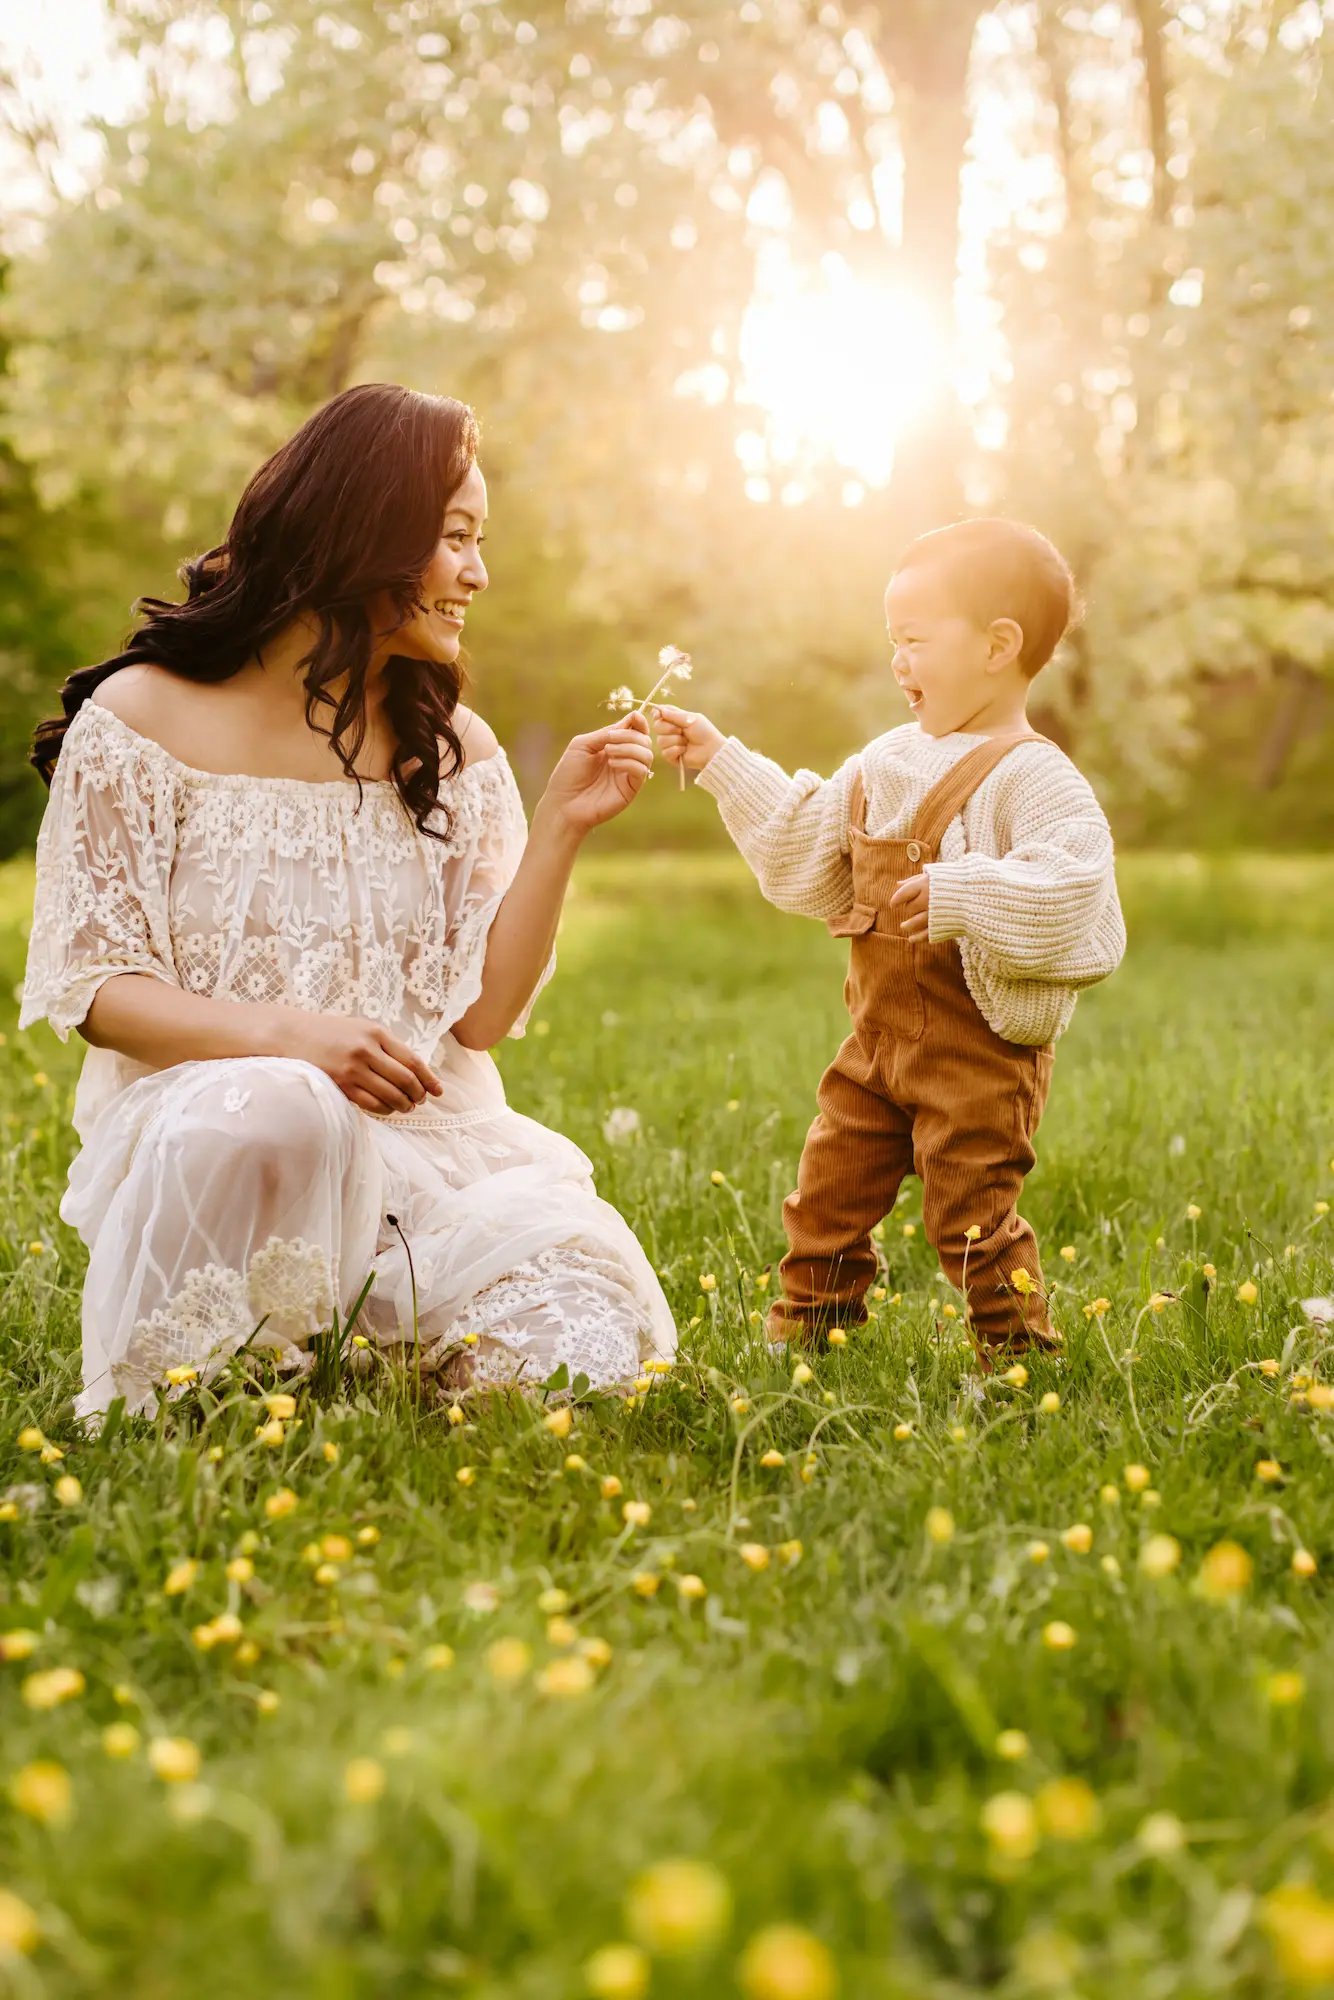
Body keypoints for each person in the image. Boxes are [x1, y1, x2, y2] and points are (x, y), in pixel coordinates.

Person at [20, 382, 675, 1421]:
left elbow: (482, 1017)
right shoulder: (142, 717)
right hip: (234, 1142)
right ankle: (223, 1370)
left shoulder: (453, 750)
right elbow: (93, 985)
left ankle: (378, 1347)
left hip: (429, 1160)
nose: (479, 570)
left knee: (575, 1371)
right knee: (282, 1103)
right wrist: (292, 1040)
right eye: (457, 534)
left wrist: (561, 826)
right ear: (369, 529)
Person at [654, 518, 1126, 1362]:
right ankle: (809, 1338)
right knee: (826, 1191)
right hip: (873, 1047)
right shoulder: (885, 761)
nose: (897, 662)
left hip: (977, 1060)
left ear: (997, 645)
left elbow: (1074, 889)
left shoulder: (1034, 775)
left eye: (913, 640)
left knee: (970, 1218)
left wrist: (963, 891)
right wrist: (722, 759)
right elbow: (804, 843)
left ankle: (1019, 1359)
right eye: (891, 641)